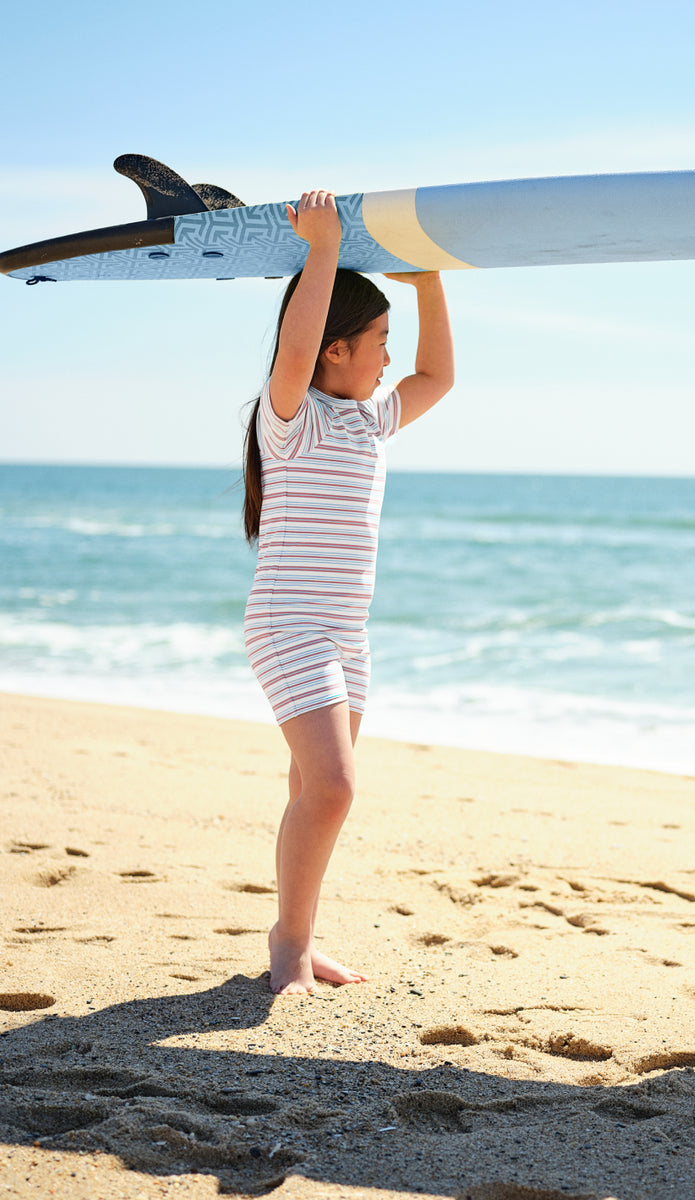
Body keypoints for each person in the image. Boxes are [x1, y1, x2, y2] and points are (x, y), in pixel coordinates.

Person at [241, 189, 454, 995]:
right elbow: (291, 358)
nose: (390, 359)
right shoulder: (292, 418)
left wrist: (427, 283)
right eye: (379, 342)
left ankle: (295, 931)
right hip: (288, 626)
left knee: (312, 790)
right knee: (334, 789)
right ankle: (289, 946)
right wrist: (322, 251)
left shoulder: (373, 420)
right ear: (336, 351)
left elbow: (441, 373)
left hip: (345, 636)